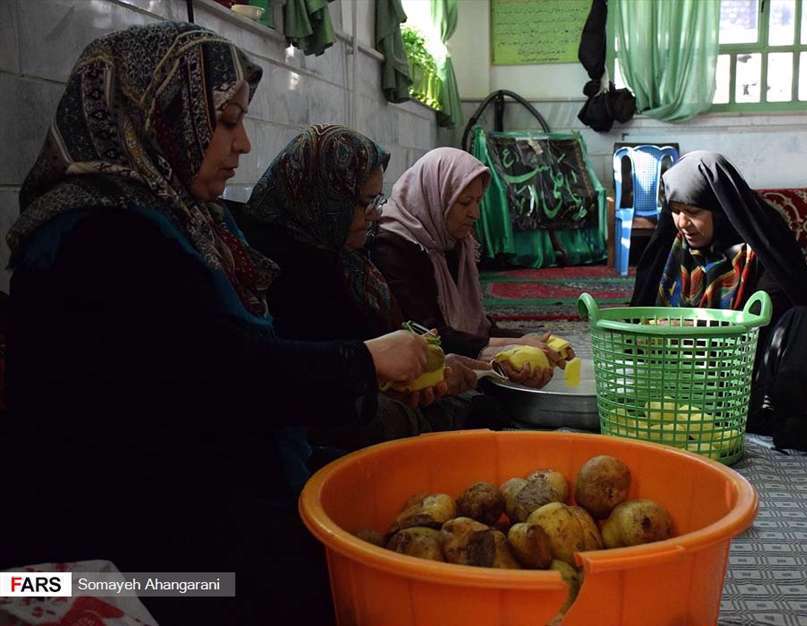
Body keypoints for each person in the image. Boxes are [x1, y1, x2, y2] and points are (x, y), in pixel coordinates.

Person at [0, 22, 427, 625]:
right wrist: (365, 360)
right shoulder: (99, 239)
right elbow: (222, 374)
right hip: (130, 570)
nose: (245, 144)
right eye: (226, 122)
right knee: (329, 587)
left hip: (175, 515)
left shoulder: (176, 220)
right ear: (158, 116)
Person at [631, 151, 807, 453]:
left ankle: (788, 416)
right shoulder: (671, 245)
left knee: (801, 320)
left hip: (745, 368)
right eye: (675, 210)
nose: (682, 223)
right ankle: (774, 419)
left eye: (692, 211)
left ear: (719, 208)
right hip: (682, 375)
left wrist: (699, 326)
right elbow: (639, 314)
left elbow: (776, 309)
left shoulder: (761, 237)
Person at [236, 124, 497, 440]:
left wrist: (422, 371)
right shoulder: (284, 267)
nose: (375, 215)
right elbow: (311, 379)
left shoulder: (346, 258)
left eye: (377, 200)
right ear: (328, 200)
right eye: (364, 203)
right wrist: (394, 374)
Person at [371, 147, 569, 388]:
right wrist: (505, 348)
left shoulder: (452, 241)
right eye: (465, 202)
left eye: (478, 201)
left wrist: (527, 340)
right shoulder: (393, 246)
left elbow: (477, 327)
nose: (474, 213)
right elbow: (427, 333)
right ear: (436, 197)